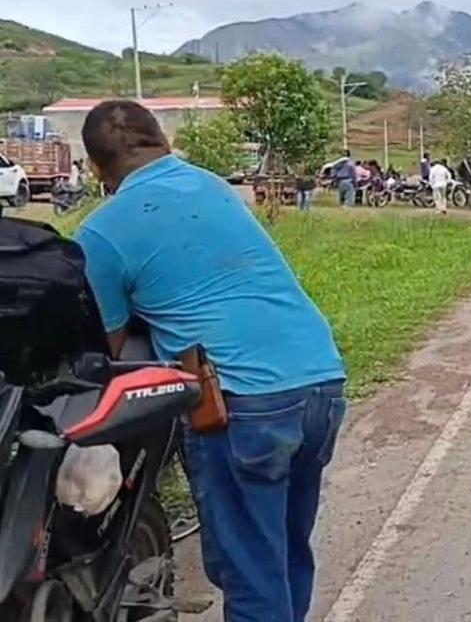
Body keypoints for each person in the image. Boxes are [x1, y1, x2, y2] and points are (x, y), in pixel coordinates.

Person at [72, 100, 346, 622]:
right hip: (321, 382)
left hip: (243, 405)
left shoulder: (102, 232)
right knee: (286, 553)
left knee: (251, 571)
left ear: (94, 168)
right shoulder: (214, 186)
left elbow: (103, 348)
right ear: (164, 142)